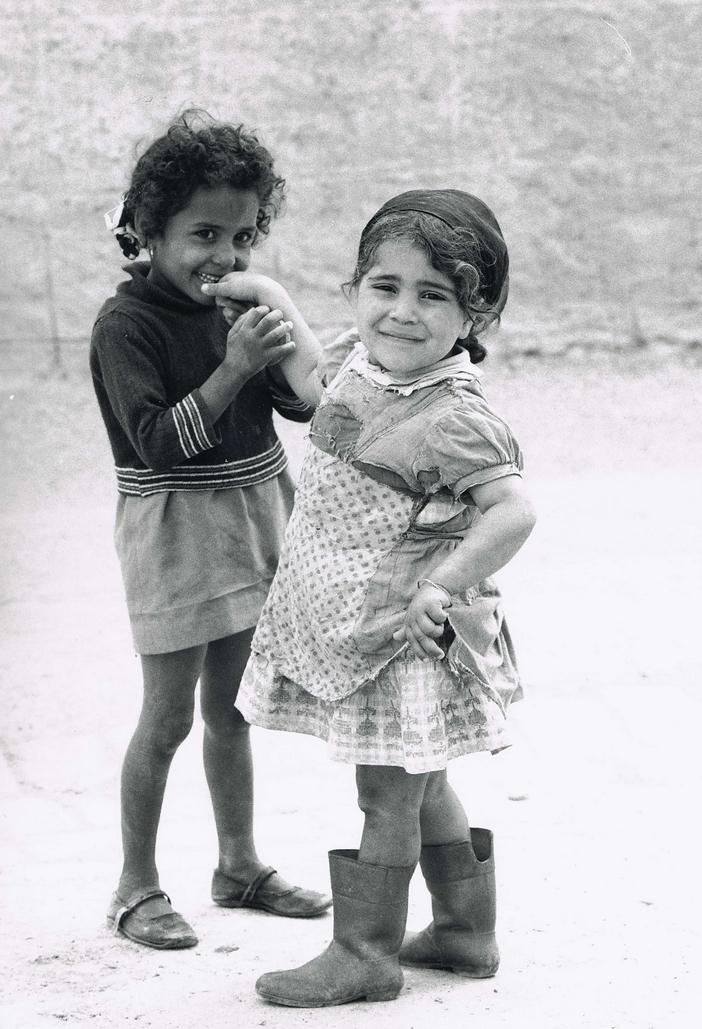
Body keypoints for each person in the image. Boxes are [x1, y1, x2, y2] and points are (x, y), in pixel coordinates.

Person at [205, 187, 537, 1006]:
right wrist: (274, 301)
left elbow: (514, 509)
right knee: (422, 785)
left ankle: (364, 950)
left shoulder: (452, 415)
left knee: (385, 791)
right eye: (384, 286)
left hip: (399, 635)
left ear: (475, 315)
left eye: (434, 295)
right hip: (360, 623)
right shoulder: (366, 364)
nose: (402, 312)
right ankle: (464, 931)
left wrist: (441, 585)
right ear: (356, 288)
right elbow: (318, 390)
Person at [90, 109, 330, 951]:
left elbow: (301, 406)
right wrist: (235, 366)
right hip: (177, 536)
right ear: (148, 231)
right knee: (167, 720)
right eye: (201, 233)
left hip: (254, 515)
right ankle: (135, 886)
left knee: (234, 710)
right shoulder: (127, 327)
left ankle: (238, 865)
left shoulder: (237, 306)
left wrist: (293, 354)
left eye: (242, 236)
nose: (223, 257)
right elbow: (157, 445)